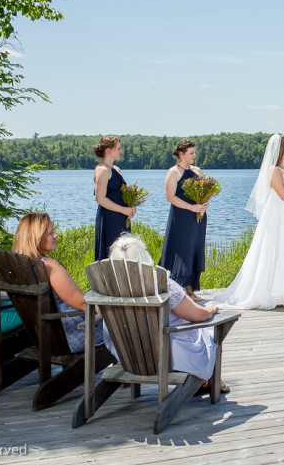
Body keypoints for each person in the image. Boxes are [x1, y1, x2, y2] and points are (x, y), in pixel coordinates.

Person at [212, 134, 284, 309]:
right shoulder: (274, 170)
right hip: (279, 214)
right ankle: (276, 293)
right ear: (281, 150)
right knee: (278, 248)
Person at [107, 234, 227, 391]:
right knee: (209, 331)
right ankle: (212, 381)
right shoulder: (162, 284)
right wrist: (210, 308)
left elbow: (96, 311)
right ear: (144, 257)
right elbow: (199, 315)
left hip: (128, 354)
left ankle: (207, 381)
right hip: (167, 355)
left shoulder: (109, 286)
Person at [12, 212, 104, 353]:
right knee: (126, 321)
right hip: (73, 334)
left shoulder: (21, 266)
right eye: (50, 233)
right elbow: (82, 304)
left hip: (44, 334)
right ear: (36, 238)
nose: (56, 235)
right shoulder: (49, 266)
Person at [159, 139, 209, 301]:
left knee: (195, 249)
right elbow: (170, 197)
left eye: (194, 152)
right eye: (191, 153)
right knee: (182, 250)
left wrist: (205, 203)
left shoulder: (197, 171)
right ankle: (179, 289)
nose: (194, 155)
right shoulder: (174, 172)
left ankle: (190, 288)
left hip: (198, 217)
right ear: (181, 154)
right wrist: (191, 207)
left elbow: (205, 191)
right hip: (182, 217)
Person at [93, 135, 135, 261]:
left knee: (125, 251)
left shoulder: (115, 169)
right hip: (110, 218)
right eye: (118, 148)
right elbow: (100, 198)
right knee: (112, 251)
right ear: (108, 150)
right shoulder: (102, 170)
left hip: (121, 217)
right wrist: (123, 210)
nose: (121, 151)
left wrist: (130, 206)